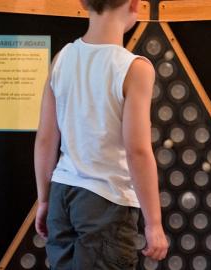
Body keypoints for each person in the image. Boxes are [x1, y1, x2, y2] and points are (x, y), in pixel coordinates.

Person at [33, 0, 168, 269]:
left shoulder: (62, 58)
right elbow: (137, 151)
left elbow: (46, 139)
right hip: (106, 202)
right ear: (135, 5)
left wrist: (44, 199)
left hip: (62, 195)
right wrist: (154, 224)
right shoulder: (135, 69)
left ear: (83, 2)